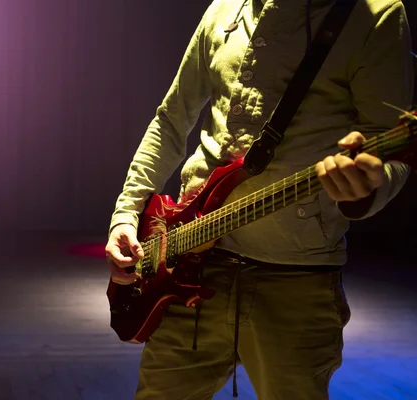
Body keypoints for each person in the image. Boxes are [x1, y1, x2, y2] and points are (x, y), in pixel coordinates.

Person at [105, 0, 414, 399]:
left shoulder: (378, 14)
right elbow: (171, 119)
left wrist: (364, 190)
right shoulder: (225, 7)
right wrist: (127, 213)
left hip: (294, 284)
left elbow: (390, 152)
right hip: (186, 266)